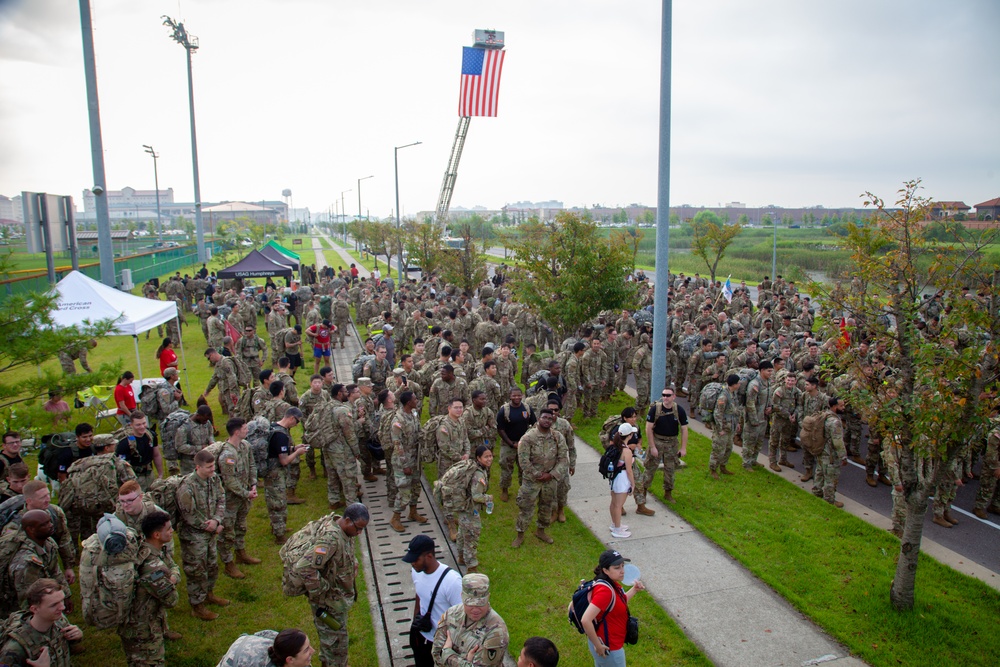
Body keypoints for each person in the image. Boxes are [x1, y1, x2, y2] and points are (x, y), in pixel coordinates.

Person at [283, 503, 369, 667]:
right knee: (333, 642)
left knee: (339, 638)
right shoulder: (330, 539)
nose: (359, 533)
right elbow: (305, 567)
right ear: (348, 520)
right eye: (358, 528)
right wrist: (322, 592)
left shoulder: (342, 529)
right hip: (328, 603)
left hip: (336, 600)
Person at [117, 511, 179, 666]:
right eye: (169, 529)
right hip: (142, 629)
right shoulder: (153, 567)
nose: (172, 531)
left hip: (139, 621)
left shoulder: (149, 549)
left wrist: (173, 576)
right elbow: (172, 600)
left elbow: (173, 567)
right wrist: (172, 579)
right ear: (157, 535)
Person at [177, 449, 227, 621]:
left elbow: (221, 499)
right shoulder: (187, 486)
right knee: (196, 569)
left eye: (213, 465)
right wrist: (211, 526)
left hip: (211, 532)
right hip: (194, 536)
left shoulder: (214, 480)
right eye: (209, 466)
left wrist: (217, 520)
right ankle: (197, 605)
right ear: (198, 467)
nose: (213, 469)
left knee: (212, 565)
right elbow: (188, 514)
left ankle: (209, 594)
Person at [402, 534, 463, 667]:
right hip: (421, 635)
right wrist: (415, 619)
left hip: (442, 642)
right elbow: (419, 594)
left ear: (429, 556)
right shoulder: (416, 571)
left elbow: (462, 616)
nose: (412, 563)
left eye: (415, 560)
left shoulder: (452, 581)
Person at [512, 409, 569, 548]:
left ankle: (541, 531)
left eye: (550, 418)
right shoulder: (528, 438)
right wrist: (538, 475)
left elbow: (563, 459)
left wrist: (551, 474)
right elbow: (523, 461)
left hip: (550, 480)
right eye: (545, 417)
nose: (547, 420)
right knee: (526, 507)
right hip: (532, 481)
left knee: (546, 507)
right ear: (538, 418)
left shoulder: (557, 437)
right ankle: (520, 535)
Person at [581, 550, 645, 667]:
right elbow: (586, 620)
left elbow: (617, 603)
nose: (622, 571)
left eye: (622, 566)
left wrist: (634, 589)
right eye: (617, 568)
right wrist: (598, 646)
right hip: (609, 647)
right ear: (605, 570)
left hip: (606, 643)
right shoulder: (605, 591)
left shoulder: (611, 583)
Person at [0, 578, 83, 667]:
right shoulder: (15, 648)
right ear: (35, 609)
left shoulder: (59, 621)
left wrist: (77, 636)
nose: (62, 607)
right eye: (54, 605)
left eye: (62, 600)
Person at [432, 573, 510, 666]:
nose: (475, 609)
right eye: (470, 604)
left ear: (488, 597)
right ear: (462, 596)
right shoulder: (451, 614)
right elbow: (436, 654)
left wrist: (448, 654)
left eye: (480, 604)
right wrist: (466, 662)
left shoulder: (496, 630)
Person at [217, 417, 261, 579]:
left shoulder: (245, 446)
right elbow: (229, 481)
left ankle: (241, 553)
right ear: (236, 432)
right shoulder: (227, 455)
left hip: (245, 495)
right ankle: (228, 563)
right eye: (244, 428)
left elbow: (252, 466)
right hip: (230, 500)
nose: (247, 429)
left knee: (241, 526)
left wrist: (253, 484)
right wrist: (246, 493)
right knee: (227, 531)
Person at [636, 390, 688, 513]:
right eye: (663, 395)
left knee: (670, 469)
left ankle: (668, 493)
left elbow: (684, 429)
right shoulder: (655, 409)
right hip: (657, 440)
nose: (665, 397)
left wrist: (683, 448)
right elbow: (648, 428)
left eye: (668, 395)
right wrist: (652, 446)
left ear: (674, 397)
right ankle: (643, 492)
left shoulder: (679, 410)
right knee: (650, 468)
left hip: (672, 443)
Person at [265, 408, 306, 545]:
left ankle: (278, 527)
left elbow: (279, 450)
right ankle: (279, 535)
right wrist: (297, 453)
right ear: (292, 418)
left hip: (271, 471)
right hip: (275, 473)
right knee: (278, 503)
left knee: (275, 501)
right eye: (297, 422)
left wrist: (293, 448)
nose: (296, 425)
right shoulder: (281, 435)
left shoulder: (274, 427)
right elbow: (284, 460)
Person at [457, 445, 494, 572]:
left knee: (462, 533)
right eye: (486, 457)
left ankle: (461, 557)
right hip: (470, 509)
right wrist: (488, 498)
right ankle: (471, 567)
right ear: (478, 458)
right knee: (471, 537)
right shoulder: (479, 475)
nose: (489, 459)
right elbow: (476, 496)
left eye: (490, 456)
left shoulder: (475, 468)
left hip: (463, 507)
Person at [496, 388, 536, 502]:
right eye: (514, 396)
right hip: (508, 444)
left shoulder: (527, 408)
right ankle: (504, 490)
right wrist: (511, 443)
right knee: (506, 468)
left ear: (522, 395)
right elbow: (500, 429)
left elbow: (534, 424)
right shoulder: (504, 410)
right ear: (510, 396)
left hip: (524, 445)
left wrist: (525, 440)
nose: (517, 398)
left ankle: (523, 490)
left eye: (519, 395)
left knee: (524, 469)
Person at [115, 410, 164, 491]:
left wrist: (160, 475)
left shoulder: (151, 436)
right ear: (131, 425)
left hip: (149, 474)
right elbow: (121, 466)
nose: (142, 427)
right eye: (138, 425)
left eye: (144, 423)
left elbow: (156, 455)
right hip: (134, 477)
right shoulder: (124, 443)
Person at [608, 425, 638, 539]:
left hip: (614, 477)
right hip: (622, 478)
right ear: (629, 435)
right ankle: (617, 529)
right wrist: (633, 484)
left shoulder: (614, 446)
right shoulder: (627, 451)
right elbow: (629, 470)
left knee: (614, 502)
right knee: (618, 505)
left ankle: (615, 524)